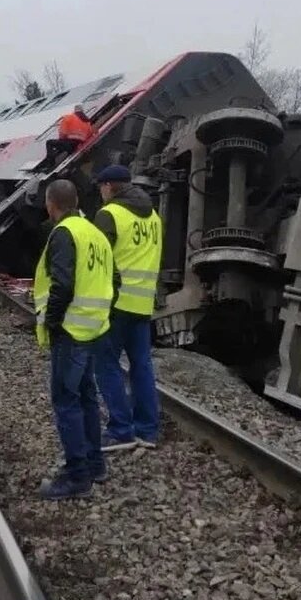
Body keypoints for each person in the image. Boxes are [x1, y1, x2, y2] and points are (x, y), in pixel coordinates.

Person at [33, 179, 117, 500]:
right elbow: (115, 280)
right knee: (86, 398)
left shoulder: (64, 233)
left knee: (66, 401)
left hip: (70, 331)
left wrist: (53, 322)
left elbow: (62, 285)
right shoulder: (95, 233)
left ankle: (76, 476)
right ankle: (95, 464)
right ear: (77, 199)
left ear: (51, 204)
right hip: (93, 328)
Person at [92, 164, 164, 451]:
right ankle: (147, 430)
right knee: (141, 366)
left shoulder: (109, 214)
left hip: (115, 303)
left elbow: (98, 260)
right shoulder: (155, 217)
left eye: (101, 187)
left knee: (106, 364)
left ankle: (121, 430)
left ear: (109, 186)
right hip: (143, 304)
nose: (100, 192)